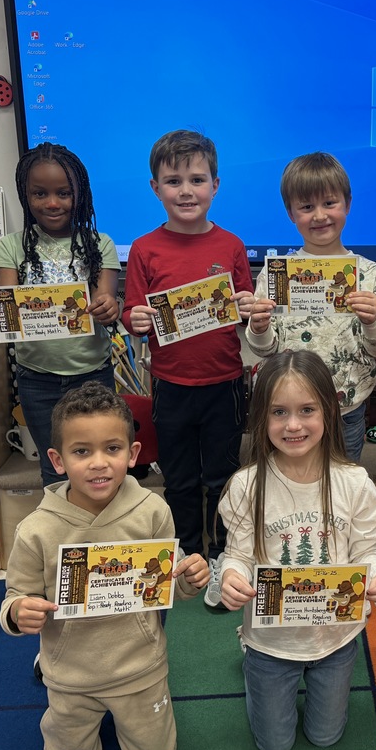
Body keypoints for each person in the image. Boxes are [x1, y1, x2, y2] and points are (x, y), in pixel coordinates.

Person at [0, 382, 209, 750]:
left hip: (140, 667)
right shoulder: (35, 530)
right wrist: (17, 612)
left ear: (132, 454)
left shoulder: (153, 510)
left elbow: (164, 585)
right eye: (82, 451)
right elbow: (16, 596)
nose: (98, 462)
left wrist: (189, 580)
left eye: (111, 448)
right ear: (58, 460)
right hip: (70, 676)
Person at [217, 350, 376, 750]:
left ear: (329, 411)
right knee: (274, 746)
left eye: (307, 410)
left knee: (325, 735)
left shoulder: (354, 483)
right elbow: (238, 555)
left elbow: (365, 551)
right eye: (279, 412)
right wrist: (231, 577)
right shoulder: (246, 485)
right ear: (261, 416)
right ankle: (246, 652)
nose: (293, 424)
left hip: (336, 637)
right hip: (270, 642)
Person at [122, 129, 253, 608]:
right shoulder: (143, 249)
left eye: (197, 179)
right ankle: (186, 561)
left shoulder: (233, 245)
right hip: (171, 387)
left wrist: (246, 305)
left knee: (222, 478)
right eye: (173, 180)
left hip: (224, 385)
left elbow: (244, 311)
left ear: (215, 185)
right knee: (177, 480)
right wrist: (133, 318)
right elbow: (133, 313)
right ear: (155, 187)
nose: (186, 190)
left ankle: (221, 563)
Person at [0, 142, 121, 486]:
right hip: (37, 380)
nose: (52, 203)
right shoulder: (10, 247)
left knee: (101, 465)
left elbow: (106, 303)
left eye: (64, 193)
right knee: (55, 470)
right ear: (25, 195)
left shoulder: (101, 244)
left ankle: (100, 537)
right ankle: (64, 540)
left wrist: (110, 307)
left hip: (93, 374)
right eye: (40, 193)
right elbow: (5, 309)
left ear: (80, 194)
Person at [245, 152, 376, 461]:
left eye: (329, 203)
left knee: (343, 486)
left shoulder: (369, 274)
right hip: (287, 412)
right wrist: (258, 328)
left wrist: (373, 320)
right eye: (306, 207)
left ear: (348, 204)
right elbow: (265, 349)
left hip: (346, 409)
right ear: (291, 213)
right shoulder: (276, 273)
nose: (319, 215)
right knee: (285, 485)